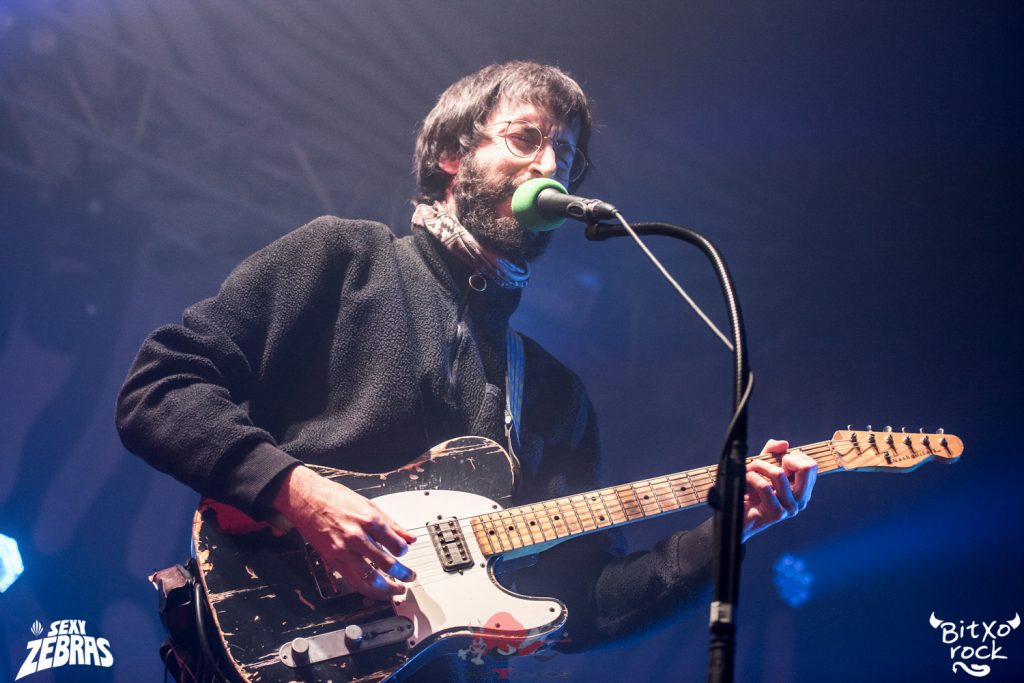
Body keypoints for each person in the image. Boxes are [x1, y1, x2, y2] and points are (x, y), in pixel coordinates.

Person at [116, 61, 816, 680]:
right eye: (526, 138)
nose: (550, 166)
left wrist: (730, 531)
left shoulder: (554, 395)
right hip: (276, 631)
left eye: (566, 155)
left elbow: (585, 602)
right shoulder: (344, 261)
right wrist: (299, 492)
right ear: (453, 154)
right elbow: (160, 385)